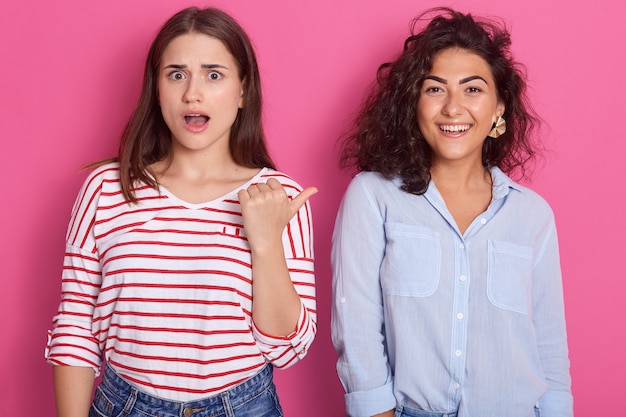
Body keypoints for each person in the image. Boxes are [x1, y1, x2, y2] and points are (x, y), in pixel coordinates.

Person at [46, 7, 317, 417]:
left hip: (243, 406)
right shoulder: (106, 189)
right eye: (176, 74)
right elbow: (75, 327)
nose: (193, 93)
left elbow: (287, 348)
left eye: (213, 74)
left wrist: (265, 244)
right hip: (125, 405)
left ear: (243, 91)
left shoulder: (277, 196)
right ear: (157, 89)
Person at [331, 7, 572, 417]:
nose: (453, 108)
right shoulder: (373, 196)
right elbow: (356, 328)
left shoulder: (532, 215)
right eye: (435, 89)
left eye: (473, 89)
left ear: (499, 109)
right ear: (414, 104)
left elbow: (548, 343)